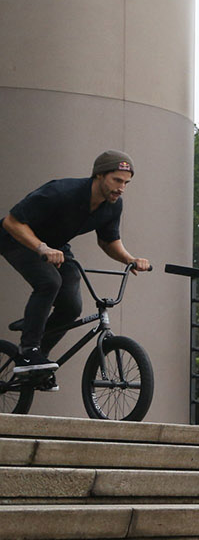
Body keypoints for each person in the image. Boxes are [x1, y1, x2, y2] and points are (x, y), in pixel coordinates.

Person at [2, 150, 153, 383]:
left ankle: (38, 357)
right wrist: (42, 248)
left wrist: (130, 259)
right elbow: (13, 222)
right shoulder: (62, 192)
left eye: (126, 183)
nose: (121, 188)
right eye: (117, 180)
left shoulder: (112, 206)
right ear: (99, 175)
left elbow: (108, 241)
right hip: (16, 239)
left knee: (71, 307)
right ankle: (28, 350)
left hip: (57, 247)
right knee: (49, 281)